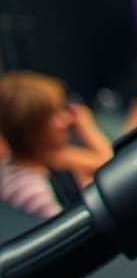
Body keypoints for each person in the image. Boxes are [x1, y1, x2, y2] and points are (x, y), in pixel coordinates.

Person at [0, 71, 115, 219]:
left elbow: (107, 165)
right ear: (35, 129)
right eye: (55, 113)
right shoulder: (29, 189)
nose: (67, 120)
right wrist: (88, 129)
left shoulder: (46, 158)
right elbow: (66, 232)